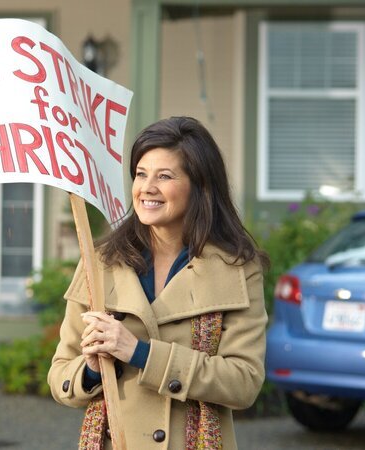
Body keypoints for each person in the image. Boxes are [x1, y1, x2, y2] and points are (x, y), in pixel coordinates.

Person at [48, 116, 269, 449]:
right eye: (140, 174)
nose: (146, 188)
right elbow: (60, 377)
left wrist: (140, 353)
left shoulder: (236, 268)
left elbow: (243, 383)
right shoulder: (101, 263)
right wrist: (91, 369)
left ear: (200, 186)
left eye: (164, 176)